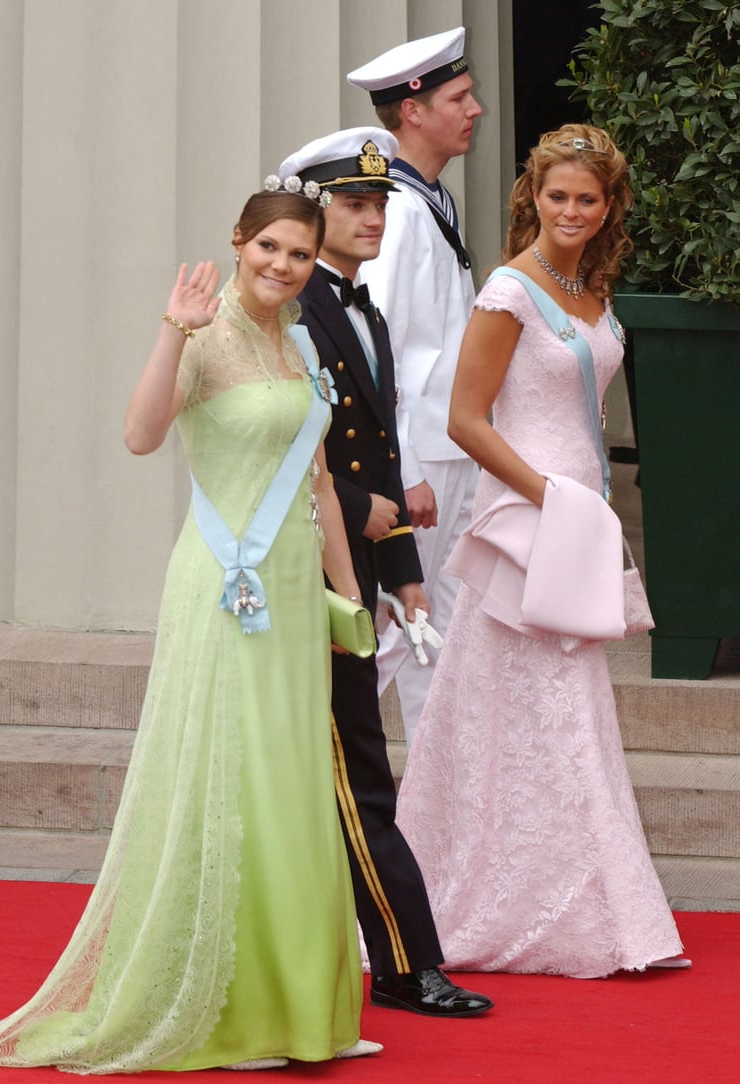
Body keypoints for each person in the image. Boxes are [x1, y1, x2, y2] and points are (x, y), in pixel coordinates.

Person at [0, 189, 382, 1071]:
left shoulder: (297, 339)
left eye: (299, 255)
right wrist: (171, 332)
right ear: (237, 242)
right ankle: (231, 1009)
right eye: (268, 247)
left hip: (298, 594)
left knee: (293, 787)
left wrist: (352, 601)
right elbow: (142, 435)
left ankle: (307, 1012)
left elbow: (324, 484)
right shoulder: (205, 333)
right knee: (237, 784)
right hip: (227, 591)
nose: (281, 266)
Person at [395, 123, 690, 978]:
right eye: (557, 195)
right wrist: (547, 496)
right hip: (529, 516)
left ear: (608, 208)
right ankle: (506, 897)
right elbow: (465, 420)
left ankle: (580, 897)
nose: (570, 210)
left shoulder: (590, 288)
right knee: (523, 703)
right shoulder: (510, 292)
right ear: (534, 197)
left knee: (560, 707)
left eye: (586, 199)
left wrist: (581, 505)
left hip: (576, 516)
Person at [278, 128, 493, 1018]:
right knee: (355, 765)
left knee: (352, 763)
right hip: (298, 572)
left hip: (356, 569)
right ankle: (405, 961)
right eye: (354, 205)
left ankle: (390, 960)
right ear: (313, 209)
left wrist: (403, 569)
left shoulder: (360, 307)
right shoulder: (296, 311)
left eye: (378, 204)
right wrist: (364, 507)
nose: (373, 218)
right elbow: (300, 446)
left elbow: (380, 441)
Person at [347, 27, 483, 744]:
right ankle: (318, 769)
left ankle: (432, 816)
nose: (476, 110)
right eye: (458, 98)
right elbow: (382, 348)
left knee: (441, 632)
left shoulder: (429, 199)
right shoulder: (396, 212)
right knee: (409, 623)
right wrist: (407, 470)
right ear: (412, 112)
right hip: (425, 459)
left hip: (449, 449)